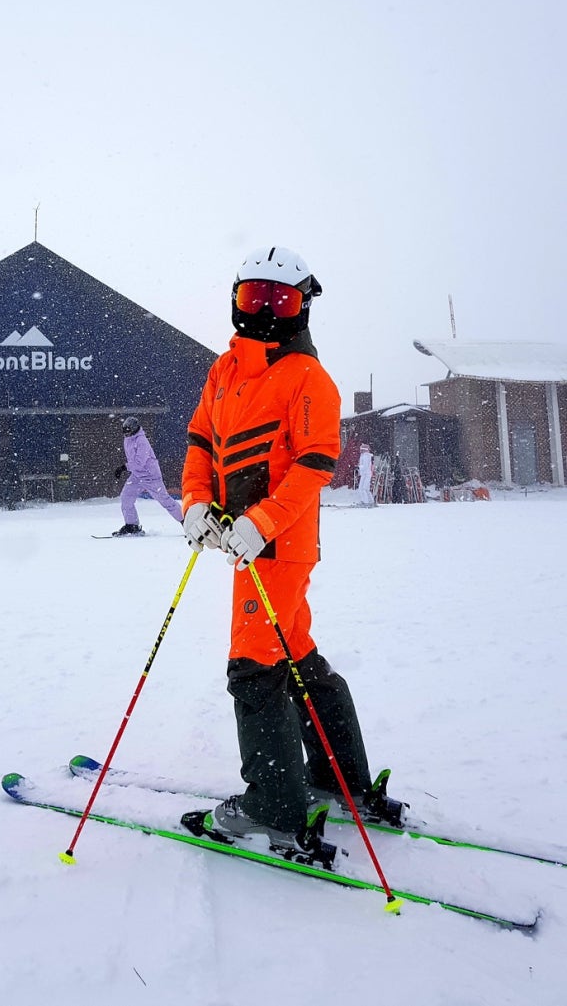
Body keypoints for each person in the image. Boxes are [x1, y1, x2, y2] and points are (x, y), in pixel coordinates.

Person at [181, 245, 404, 857]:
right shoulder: (224, 371)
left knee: (253, 667)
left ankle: (273, 810)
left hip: (279, 547)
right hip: (242, 541)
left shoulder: (309, 378)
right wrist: (196, 502)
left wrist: (263, 522)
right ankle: (339, 780)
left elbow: (314, 465)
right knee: (296, 654)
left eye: (279, 302)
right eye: (253, 298)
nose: (264, 313)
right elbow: (200, 440)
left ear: (303, 306)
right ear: (235, 300)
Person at [112, 417, 184, 536]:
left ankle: (186, 522)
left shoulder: (142, 441)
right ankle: (132, 525)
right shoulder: (127, 440)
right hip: (137, 475)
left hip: (150, 476)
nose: (126, 433)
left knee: (165, 500)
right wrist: (127, 468)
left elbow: (140, 462)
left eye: (128, 430)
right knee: (126, 497)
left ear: (134, 429)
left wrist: (124, 467)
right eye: (124, 431)